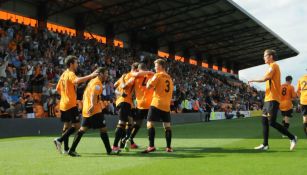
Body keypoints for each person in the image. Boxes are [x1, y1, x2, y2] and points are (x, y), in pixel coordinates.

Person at [248, 49, 297, 151]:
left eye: (265, 55)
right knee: (264, 121)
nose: (263, 57)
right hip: (268, 99)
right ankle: (265, 144)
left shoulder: (274, 65)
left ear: (270, 56)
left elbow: (266, 78)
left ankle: (292, 137)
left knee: (271, 122)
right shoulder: (271, 67)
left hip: (273, 99)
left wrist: (253, 79)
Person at [53, 55, 98, 154]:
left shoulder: (63, 74)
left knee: (66, 126)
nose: (77, 64)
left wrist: (65, 95)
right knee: (77, 126)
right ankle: (59, 140)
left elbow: (57, 88)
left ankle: (65, 149)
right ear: (71, 64)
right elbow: (77, 80)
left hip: (63, 104)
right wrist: (91, 76)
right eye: (76, 63)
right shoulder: (70, 73)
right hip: (70, 104)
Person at [68, 67, 118, 156]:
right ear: (100, 74)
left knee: (82, 129)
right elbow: (93, 94)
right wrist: (92, 104)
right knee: (103, 129)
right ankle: (109, 151)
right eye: (105, 73)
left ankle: (71, 150)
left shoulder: (92, 81)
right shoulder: (97, 83)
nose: (107, 75)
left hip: (87, 110)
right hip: (94, 110)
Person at [142, 59, 174, 153]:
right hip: (166, 105)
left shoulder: (157, 75)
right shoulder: (169, 78)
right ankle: (168, 147)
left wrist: (148, 81)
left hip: (157, 103)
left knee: (150, 123)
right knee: (167, 126)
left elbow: (148, 86)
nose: (155, 68)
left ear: (160, 66)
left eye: (156, 66)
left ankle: (151, 146)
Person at [123, 63, 154, 151]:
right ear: (146, 68)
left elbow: (126, 87)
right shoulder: (151, 75)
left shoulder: (135, 77)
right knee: (150, 124)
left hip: (140, 104)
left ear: (138, 69)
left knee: (137, 123)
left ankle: (129, 138)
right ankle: (151, 145)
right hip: (150, 103)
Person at [297, 73, 307, 137]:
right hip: (303, 101)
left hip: (303, 101)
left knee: (305, 119)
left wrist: (300, 98)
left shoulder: (301, 78)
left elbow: (298, 91)